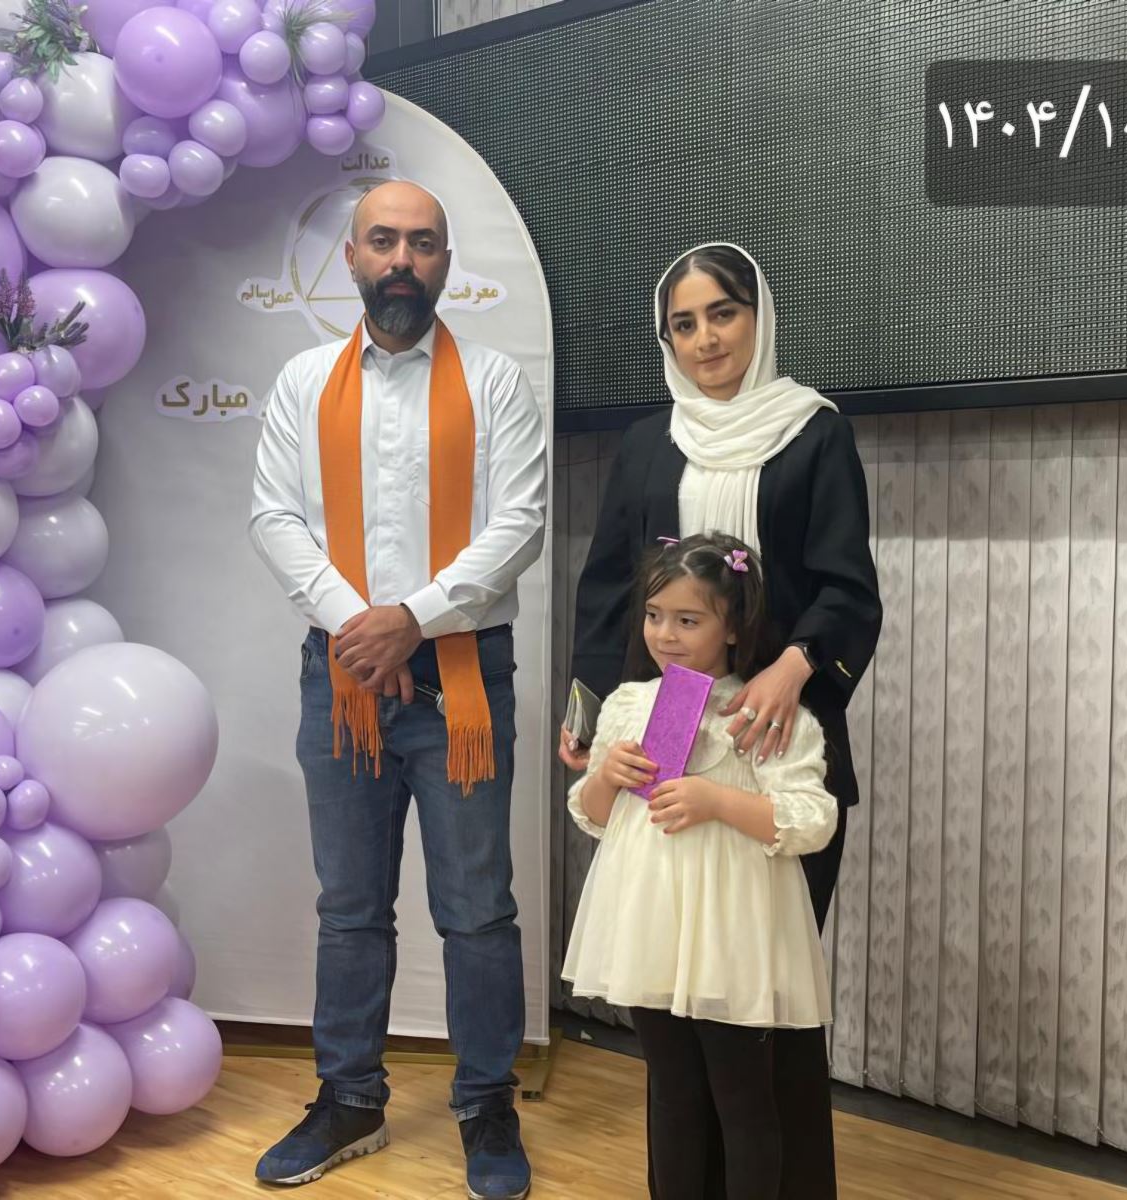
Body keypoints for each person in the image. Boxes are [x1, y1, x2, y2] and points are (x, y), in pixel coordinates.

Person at [249, 180, 547, 1199]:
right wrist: (360, 627)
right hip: (342, 676)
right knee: (349, 906)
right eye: (384, 241)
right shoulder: (303, 382)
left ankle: (487, 1103)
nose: (402, 261)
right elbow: (275, 518)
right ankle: (349, 1098)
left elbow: (520, 524)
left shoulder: (495, 382)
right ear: (351, 258)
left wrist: (410, 619)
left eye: (422, 244)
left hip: (460, 676)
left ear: (446, 263)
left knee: (477, 910)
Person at [564, 242, 881, 1197]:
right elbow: (609, 591)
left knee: (762, 1016)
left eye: (723, 313)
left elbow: (849, 588)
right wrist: (589, 713)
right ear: (665, 338)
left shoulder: (813, 432)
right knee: (673, 1017)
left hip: (775, 740)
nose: (706, 339)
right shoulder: (646, 444)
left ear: (759, 316)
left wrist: (793, 666)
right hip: (667, 735)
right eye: (684, 323)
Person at [563, 532, 837, 1198]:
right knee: (672, 1092)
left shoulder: (765, 714)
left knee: (744, 1101)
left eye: (689, 620)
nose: (666, 634)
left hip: (734, 932)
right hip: (653, 925)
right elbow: (592, 814)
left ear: (734, 626)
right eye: (655, 615)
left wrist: (717, 801)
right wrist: (608, 776)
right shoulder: (629, 704)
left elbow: (812, 820)